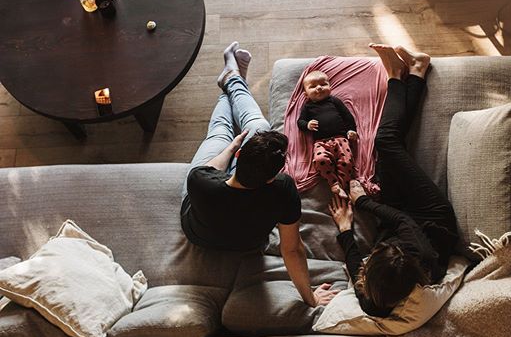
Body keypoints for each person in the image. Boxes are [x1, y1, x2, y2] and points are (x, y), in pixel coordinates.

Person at [181, 42, 338, 307]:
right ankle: (233, 79)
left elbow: (212, 168)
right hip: (247, 244)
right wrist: (310, 298)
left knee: (221, 132)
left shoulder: (200, 181)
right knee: (255, 126)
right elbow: (292, 249)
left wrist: (231, 146)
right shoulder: (281, 189)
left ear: (240, 156)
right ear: (271, 177)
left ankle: (232, 80)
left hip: (199, 231)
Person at [328, 43, 459, 317]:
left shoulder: (371, 300)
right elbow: (404, 222)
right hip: (430, 214)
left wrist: (344, 230)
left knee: (390, 143)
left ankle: (416, 71)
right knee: (385, 141)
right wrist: (361, 201)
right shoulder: (422, 258)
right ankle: (396, 77)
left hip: (396, 215)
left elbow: (355, 265)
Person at [297, 70, 358, 199]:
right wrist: (307, 125)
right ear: (305, 93)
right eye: (313, 86)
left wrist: (352, 130)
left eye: (323, 84)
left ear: (330, 87)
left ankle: (342, 185)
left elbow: (348, 117)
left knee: (347, 162)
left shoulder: (334, 101)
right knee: (320, 160)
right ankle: (333, 183)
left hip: (341, 139)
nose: (319, 87)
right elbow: (300, 122)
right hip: (321, 142)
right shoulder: (308, 107)